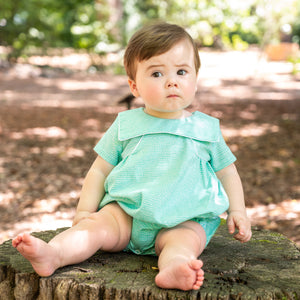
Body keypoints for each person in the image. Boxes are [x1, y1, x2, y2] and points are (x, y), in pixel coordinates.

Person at [12, 22, 252, 291]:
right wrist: (84, 211)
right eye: (157, 73)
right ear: (134, 86)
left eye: (182, 71)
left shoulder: (205, 129)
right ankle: (54, 253)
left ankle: (175, 267)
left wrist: (237, 210)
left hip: (184, 219)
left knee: (183, 242)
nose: (172, 80)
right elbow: (99, 171)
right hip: (125, 214)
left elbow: (227, 172)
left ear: (195, 79)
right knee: (92, 228)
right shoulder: (126, 125)